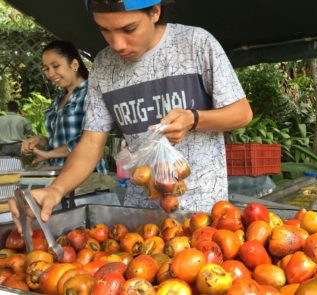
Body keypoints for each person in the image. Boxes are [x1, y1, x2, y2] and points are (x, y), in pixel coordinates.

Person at [9, 0, 252, 231]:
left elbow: (242, 113)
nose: (118, 44)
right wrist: (55, 190)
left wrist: (195, 119)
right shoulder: (104, 66)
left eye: (129, 28)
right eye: (105, 30)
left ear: (155, 12)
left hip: (204, 212)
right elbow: (91, 142)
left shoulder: (195, 44)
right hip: (141, 215)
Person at [21, 40, 107, 173]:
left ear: (74, 64)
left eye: (55, 66)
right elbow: (59, 139)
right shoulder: (58, 100)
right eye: (46, 68)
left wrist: (49, 154)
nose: (50, 74)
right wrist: (39, 140)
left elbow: (88, 141)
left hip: (85, 177)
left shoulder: (92, 94)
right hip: (57, 175)